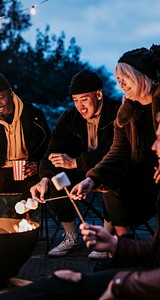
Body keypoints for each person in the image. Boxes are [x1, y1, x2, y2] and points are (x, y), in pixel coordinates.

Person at [1, 103, 160, 300]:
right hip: (154, 275)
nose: (154, 147)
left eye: (159, 139)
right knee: (65, 278)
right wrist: (114, 244)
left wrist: (119, 284)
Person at [70, 44, 160, 242]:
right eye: (118, 80)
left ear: (141, 76)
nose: (120, 85)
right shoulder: (125, 113)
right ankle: (125, 245)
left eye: (125, 79)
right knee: (111, 186)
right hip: (143, 176)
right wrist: (92, 179)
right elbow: (118, 153)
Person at [30, 69, 121, 258]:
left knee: (112, 179)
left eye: (84, 99)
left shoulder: (118, 112)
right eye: (75, 100)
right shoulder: (69, 117)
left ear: (98, 94)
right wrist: (44, 178)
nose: (80, 106)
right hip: (80, 169)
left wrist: (76, 163)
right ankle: (71, 236)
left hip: (108, 168)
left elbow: (117, 153)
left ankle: (106, 238)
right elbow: (53, 148)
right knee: (57, 180)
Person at [0, 73, 50, 208]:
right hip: (2, 171)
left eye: (1, 98)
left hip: (28, 171)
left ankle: (22, 222)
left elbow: (48, 147)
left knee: (31, 196)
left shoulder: (33, 114)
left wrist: (38, 163)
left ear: (10, 92)